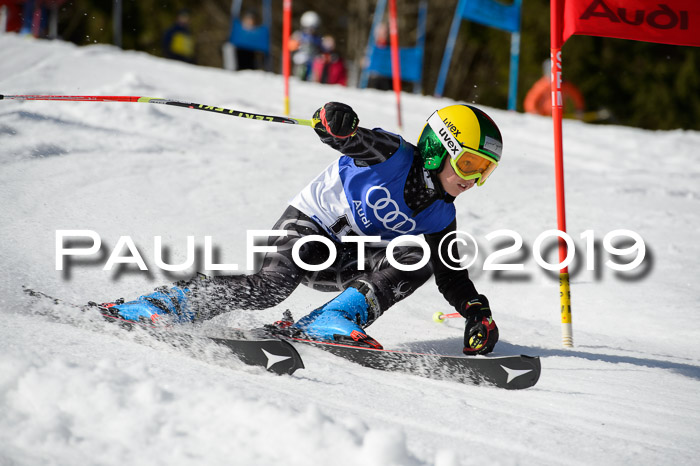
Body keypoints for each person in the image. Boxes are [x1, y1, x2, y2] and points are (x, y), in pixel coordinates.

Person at [98, 102, 503, 355]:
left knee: (421, 258)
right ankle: (164, 304)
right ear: (438, 148)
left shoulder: (440, 216)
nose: (473, 179)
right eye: (468, 163)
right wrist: (337, 121)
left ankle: (330, 320)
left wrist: (475, 312)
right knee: (268, 288)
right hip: (309, 230)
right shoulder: (391, 154)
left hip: (345, 261)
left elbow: (452, 274)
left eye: (484, 170)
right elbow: (349, 138)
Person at [289, 10, 322, 81]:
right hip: (300, 62)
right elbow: (291, 48)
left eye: (313, 28)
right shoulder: (298, 36)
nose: (310, 31)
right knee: (301, 64)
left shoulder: (317, 38)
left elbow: (321, 49)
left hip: (312, 63)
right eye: (309, 28)